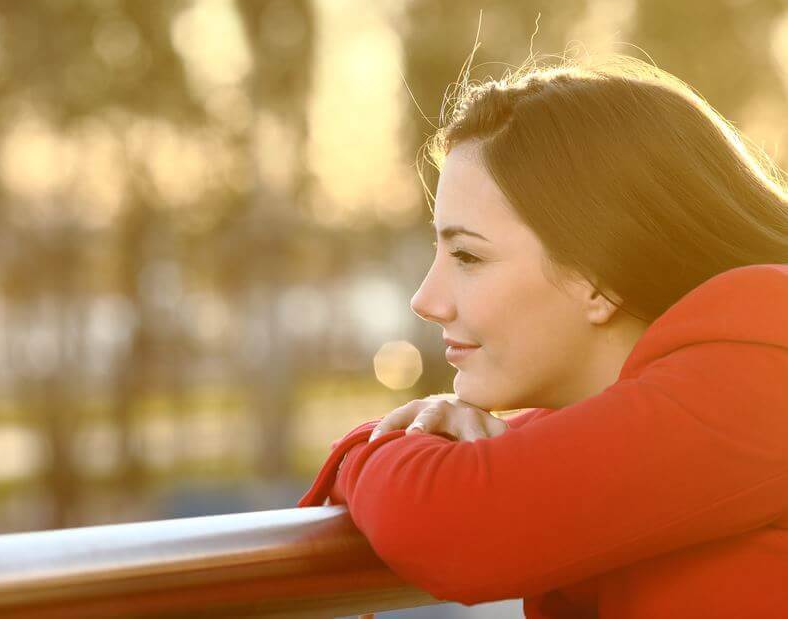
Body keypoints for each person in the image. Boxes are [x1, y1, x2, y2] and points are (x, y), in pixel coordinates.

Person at [298, 52, 788, 618]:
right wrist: (409, 442)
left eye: (467, 256)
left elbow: (451, 524)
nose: (426, 301)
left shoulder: (763, 379)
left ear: (600, 276)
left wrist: (374, 448)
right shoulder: (673, 409)